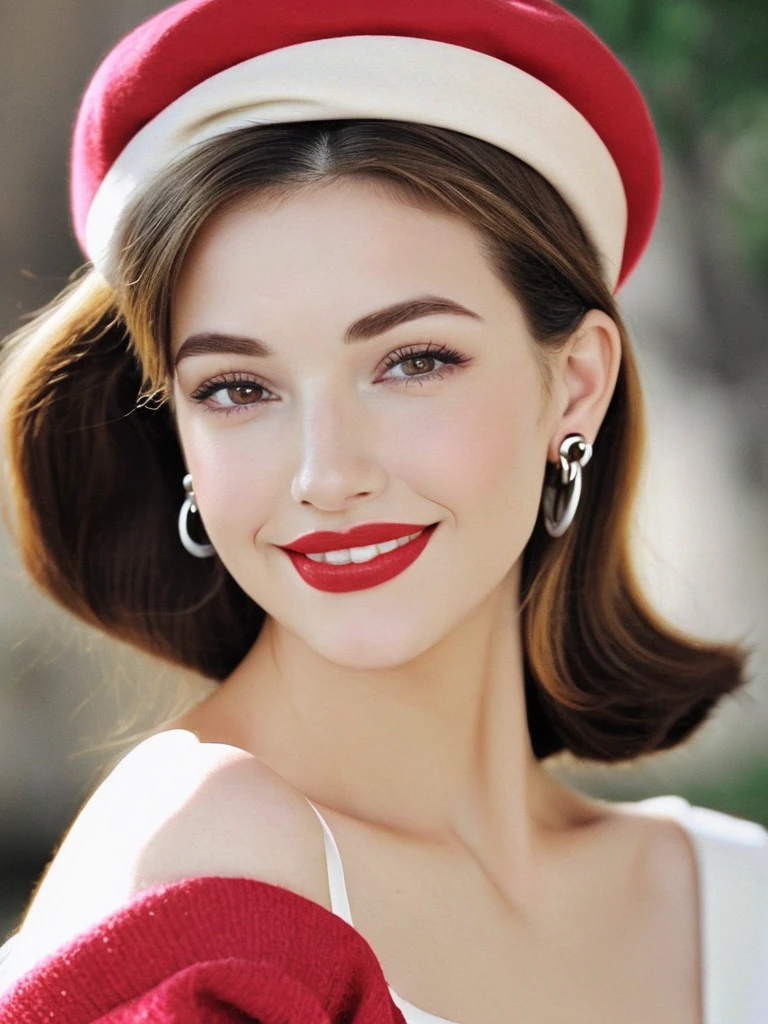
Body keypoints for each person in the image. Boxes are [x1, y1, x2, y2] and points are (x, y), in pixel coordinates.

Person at [0, 0, 766, 1021]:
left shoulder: (738, 891)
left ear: (575, 384)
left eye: (413, 362)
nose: (327, 473)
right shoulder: (214, 872)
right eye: (237, 387)